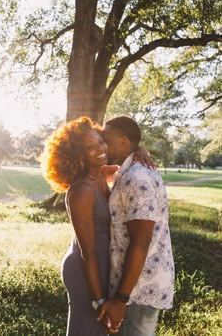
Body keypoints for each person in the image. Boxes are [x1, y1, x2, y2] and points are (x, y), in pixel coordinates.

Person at [40, 116, 154, 336]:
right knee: (85, 329)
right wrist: (99, 299)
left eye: (101, 141)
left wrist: (139, 150)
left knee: (100, 331)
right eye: (91, 147)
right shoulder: (82, 190)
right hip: (86, 268)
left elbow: (127, 164)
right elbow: (87, 252)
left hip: (102, 263)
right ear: (77, 156)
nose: (101, 148)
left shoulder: (101, 174)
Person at [98, 115, 175, 336]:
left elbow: (141, 242)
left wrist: (121, 299)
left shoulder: (137, 177)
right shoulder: (127, 171)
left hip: (138, 289)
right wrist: (139, 147)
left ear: (123, 142)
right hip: (134, 285)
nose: (103, 145)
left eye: (106, 139)